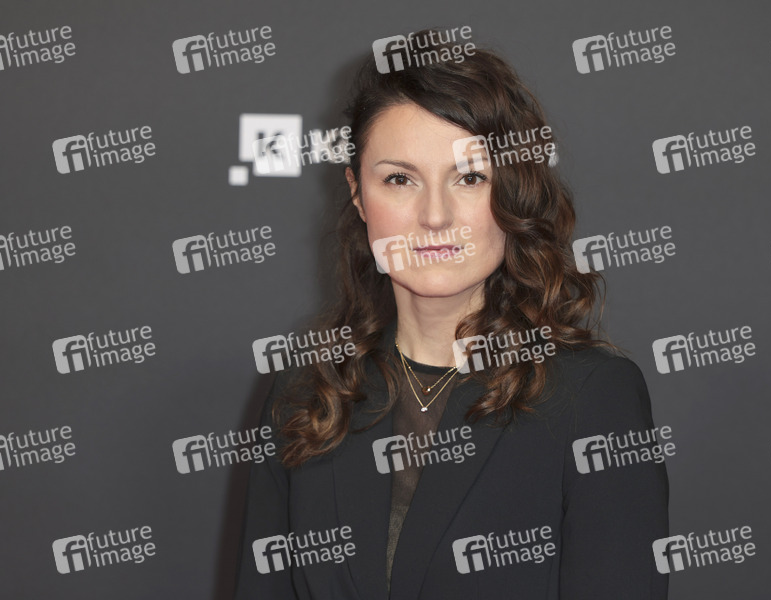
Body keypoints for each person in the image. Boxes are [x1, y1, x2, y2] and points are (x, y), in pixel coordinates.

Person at [234, 30, 668, 600]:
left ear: (511, 192)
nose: (435, 216)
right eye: (399, 179)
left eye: (469, 177)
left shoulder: (592, 397)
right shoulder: (306, 389)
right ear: (359, 194)